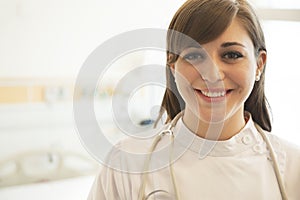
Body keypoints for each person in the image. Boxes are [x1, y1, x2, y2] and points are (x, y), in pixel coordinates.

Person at [88, 0, 300, 199]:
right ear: (172, 65)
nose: (212, 75)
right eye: (194, 56)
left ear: (259, 64)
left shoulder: (293, 168)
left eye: (231, 55)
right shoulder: (126, 165)